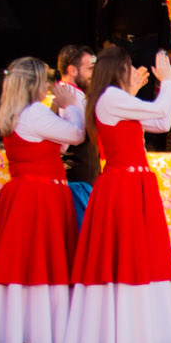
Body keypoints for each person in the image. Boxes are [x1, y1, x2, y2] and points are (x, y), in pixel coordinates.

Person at [63, 46, 171, 343]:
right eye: (129, 67)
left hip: (133, 185)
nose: (133, 71)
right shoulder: (110, 98)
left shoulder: (115, 100)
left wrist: (170, 84)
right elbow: (158, 110)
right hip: (124, 186)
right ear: (118, 70)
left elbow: (161, 121)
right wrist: (167, 82)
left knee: (139, 261)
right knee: (126, 260)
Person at [0, 57, 86, 343]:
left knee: (25, 264)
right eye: (44, 80)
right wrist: (71, 106)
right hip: (40, 195)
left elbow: (58, 144)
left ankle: (24, 334)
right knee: (39, 263)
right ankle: (32, 336)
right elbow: (75, 135)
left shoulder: (16, 112)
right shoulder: (33, 112)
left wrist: (60, 111)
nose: (48, 85)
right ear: (35, 83)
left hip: (28, 193)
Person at [55, 43, 99, 226]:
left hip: (81, 180)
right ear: (72, 70)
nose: (93, 75)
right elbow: (62, 143)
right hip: (76, 181)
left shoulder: (76, 96)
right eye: (90, 69)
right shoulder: (70, 97)